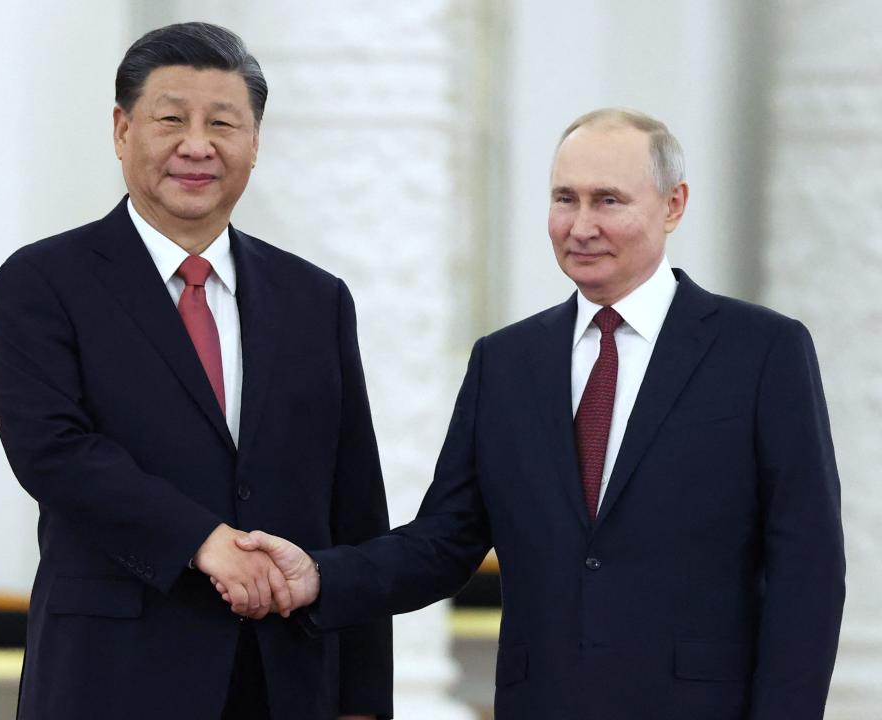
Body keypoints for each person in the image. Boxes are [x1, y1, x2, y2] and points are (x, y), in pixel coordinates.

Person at [233, 109, 846, 719]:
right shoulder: (505, 362)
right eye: (564, 199)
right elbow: (444, 542)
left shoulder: (762, 352)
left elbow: (807, 568)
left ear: (673, 204)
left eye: (608, 201)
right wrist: (319, 575)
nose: (580, 226)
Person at [0, 22, 391, 720]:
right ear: (122, 130)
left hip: (286, 677)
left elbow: (353, 504)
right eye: (170, 119)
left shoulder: (316, 299)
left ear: (255, 142)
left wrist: (361, 699)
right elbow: (52, 452)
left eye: (223, 123)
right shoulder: (46, 281)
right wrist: (203, 543)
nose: (196, 146)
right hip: (112, 676)